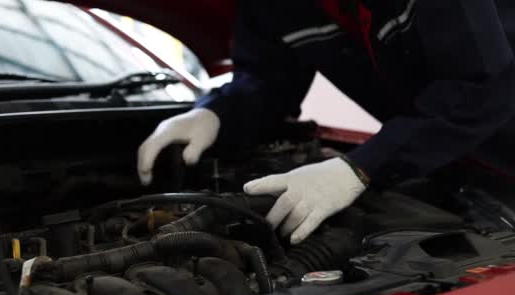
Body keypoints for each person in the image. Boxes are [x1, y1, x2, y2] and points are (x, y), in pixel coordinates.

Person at [138, 0, 515, 244]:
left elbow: (485, 85)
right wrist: (214, 113)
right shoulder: (275, 7)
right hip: (447, 165)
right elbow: (270, 80)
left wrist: (363, 167)